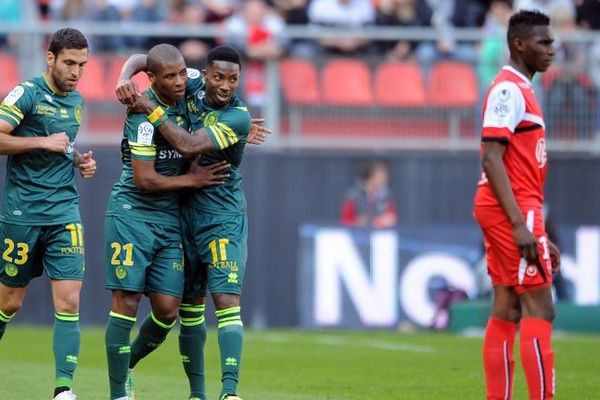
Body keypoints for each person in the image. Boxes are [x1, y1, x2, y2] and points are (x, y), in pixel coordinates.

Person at [115, 45, 269, 400]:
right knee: (182, 310)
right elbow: (146, 58)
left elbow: (186, 145)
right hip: (182, 213)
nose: (226, 86)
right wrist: (125, 79)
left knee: (227, 299)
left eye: (234, 79)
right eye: (219, 77)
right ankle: (190, 391)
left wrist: (151, 109)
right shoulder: (192, 81)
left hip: (222, 216)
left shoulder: (238, 117)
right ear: (206, 73)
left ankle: (229, 392)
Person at [0, 28, 96, 400]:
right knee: (10, 301)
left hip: (63, 210)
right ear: (50, 57)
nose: (76, 72)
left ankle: (63, 389)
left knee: (70, 301)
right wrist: (42, 141)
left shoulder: (77, 101)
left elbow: (63, 144)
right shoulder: (26, 93)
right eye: (69, 63)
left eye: (83, 65)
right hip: (22, 211)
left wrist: (78, 160)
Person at [473, 10, 560, 400]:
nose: (551, 50)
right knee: (541, 309)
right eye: (543, 42)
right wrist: (520, 225)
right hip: (514, 208)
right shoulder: (509, 89)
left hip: (516, 209)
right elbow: (492, 157)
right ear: (519, 44)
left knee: (507, 308)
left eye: (552, 42)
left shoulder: (520, 87)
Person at [340, 161, 398, 228]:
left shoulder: (387, 195)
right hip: (357, 234)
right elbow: (346, 221)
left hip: (381, 235)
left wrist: (377, 221)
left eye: (385, 176)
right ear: (370, 177)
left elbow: (392, 218)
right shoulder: (352, 195)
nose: (384, 179)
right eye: (380, 176)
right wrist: (357, 222)